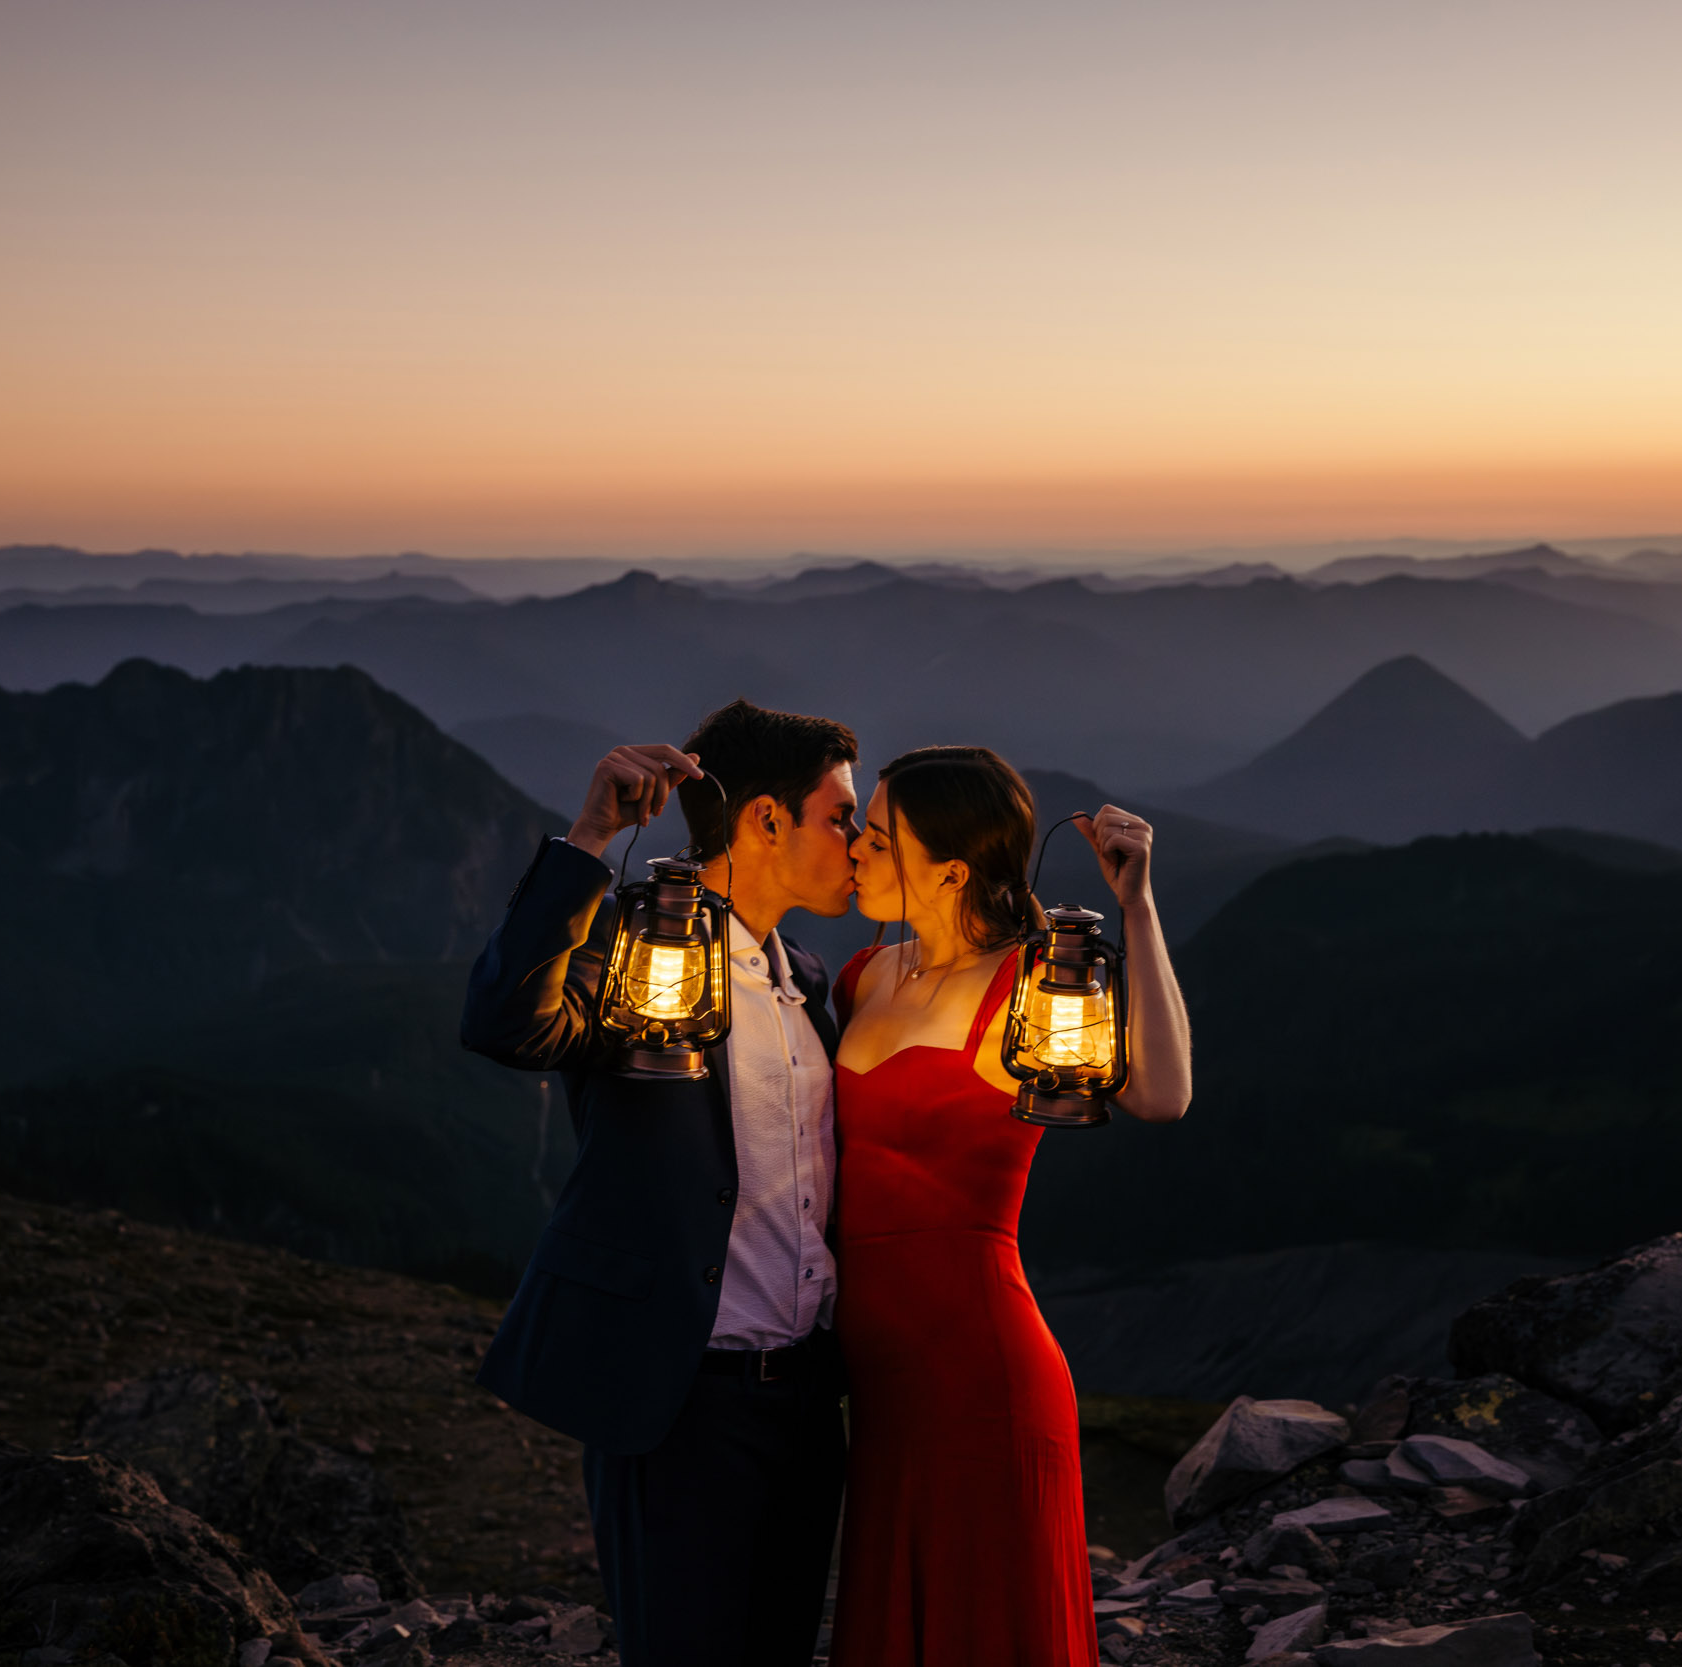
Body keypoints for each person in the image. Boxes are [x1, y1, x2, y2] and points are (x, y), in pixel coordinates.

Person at [459, 698, 863, 1667]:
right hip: (682, 1402)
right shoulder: (647, 955)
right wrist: (592, 834)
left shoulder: (804, 977)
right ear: (766, 817)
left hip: (806, 1402)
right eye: (840, 814)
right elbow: (507, 1022)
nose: (857, 839)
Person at [827, 745, 1193, 1665]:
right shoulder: (866, 974)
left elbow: (1163, 1094)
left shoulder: (1033, 983)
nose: (855, 851)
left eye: (876, 836)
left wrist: (1136, 907)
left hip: (982, 1378)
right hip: (873, 1386)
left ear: (948, 869)